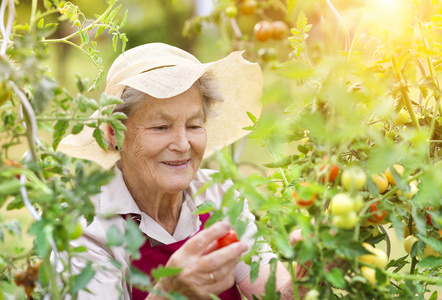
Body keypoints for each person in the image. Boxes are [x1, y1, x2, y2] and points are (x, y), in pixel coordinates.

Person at [58, 43, 308, 299]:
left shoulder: (219, 195)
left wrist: (310, 272)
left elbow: (274, 295)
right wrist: (167, 292)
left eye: (194, 125)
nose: (182, 145)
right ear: (114, 133)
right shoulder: (87, 226)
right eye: (161, 127)